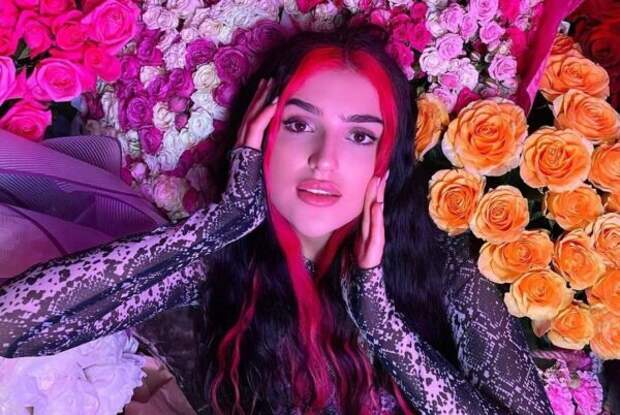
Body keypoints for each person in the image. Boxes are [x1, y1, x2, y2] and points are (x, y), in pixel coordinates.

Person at [0, 26, 554, 414]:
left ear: (388, 160)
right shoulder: (210, 268)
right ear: (258, 137)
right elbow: (11, 326)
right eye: (298, 125)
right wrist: (219, 225)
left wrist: (383, 325)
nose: (324, 159)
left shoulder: (444, 267)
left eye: (360, 136)